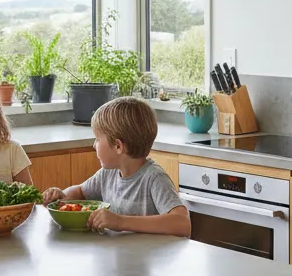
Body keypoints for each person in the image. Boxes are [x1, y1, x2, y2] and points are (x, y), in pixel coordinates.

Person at [43, 97, 190, 236]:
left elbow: (182, 224)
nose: (94, 145)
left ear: (118, 146)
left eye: (98, 139)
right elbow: (81, 191)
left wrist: (121, 222)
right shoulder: (108, 174)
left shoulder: (154, 178)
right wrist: (63, 197)